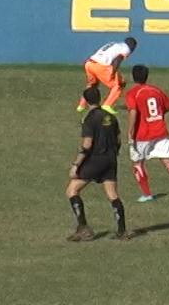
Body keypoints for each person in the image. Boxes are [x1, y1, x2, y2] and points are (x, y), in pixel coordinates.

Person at [66, 88, 132, 241]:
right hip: (110, 159)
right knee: (112, 195)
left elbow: (87, 144)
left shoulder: (90, 119)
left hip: (95, 160)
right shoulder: (111, 117)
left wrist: (76, 164)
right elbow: (118, 140)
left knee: (72, 190)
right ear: (100, 98)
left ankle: (83, 227)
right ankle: (122, 231)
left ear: (86, 100)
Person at [125, 64, 169, 203]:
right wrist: (157, 117)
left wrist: (130, 133)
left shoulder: (132, 93)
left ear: (133, 77)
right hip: (160, 131)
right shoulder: (156, 90)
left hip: (142, 135)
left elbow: (133, 112)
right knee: (168, 161)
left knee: (138, 163)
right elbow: (168, 106)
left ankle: (147, 194)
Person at [76, 37, 137, 114]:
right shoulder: (126, 48)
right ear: (132, 46)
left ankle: (81, 105)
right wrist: (113, 74)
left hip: (89, 63)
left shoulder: (115, 44)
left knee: (92, 85)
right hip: (101, 65)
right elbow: (117, 61)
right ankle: (107, 105)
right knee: (119, 84)